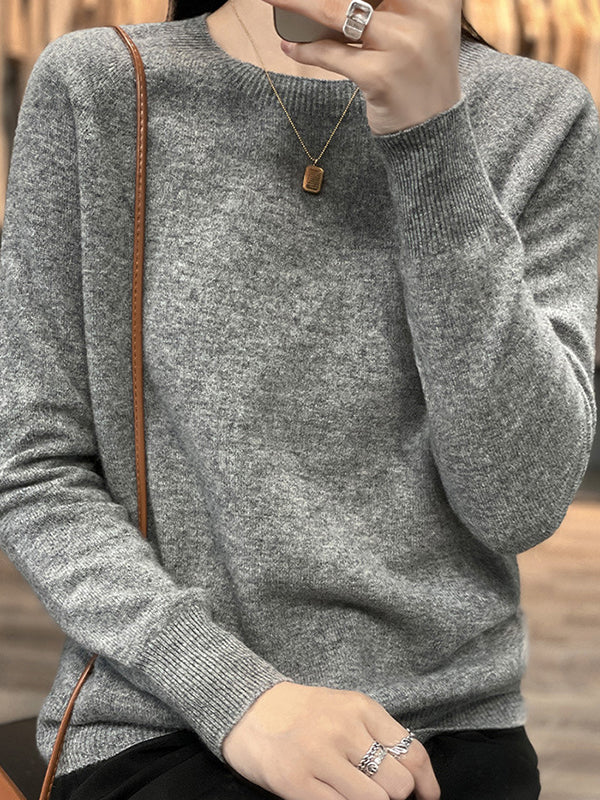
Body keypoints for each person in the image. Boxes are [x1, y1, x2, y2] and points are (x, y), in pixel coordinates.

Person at [0, 0, 597, 797]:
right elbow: (36, 467)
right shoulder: (104, 87)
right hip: (165, 714)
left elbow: (518, 502)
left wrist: (432, 144)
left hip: (445, 726)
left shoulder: (541, 113)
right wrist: (237, 696)